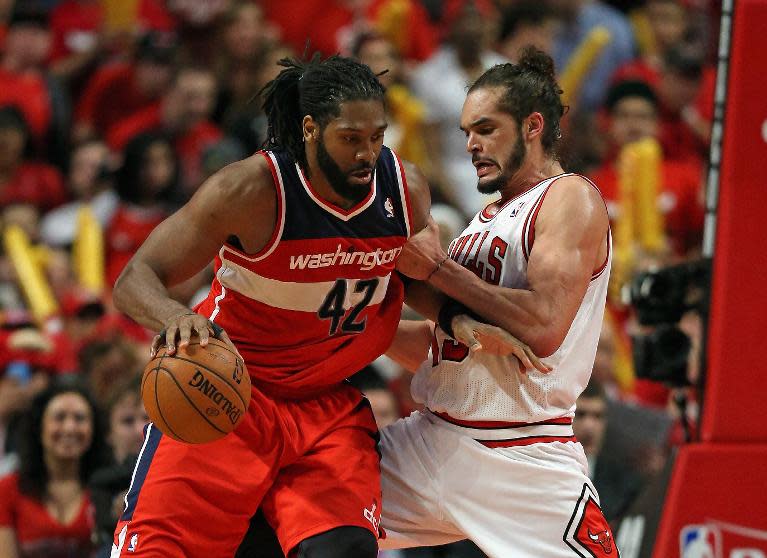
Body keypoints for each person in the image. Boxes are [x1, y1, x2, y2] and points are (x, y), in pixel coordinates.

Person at [109, 53, 433, 558]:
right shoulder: (250, 191)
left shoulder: (405, 191)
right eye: (351, 138)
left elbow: (417, 277)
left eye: (377, 137)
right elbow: (136, 278)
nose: (367, 153)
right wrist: (174, 316)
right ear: (310, 129)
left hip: (326, 406)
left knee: (345, 550)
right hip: (230, 393)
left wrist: (462, 319)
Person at [380, 47, 617, 557]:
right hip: (431, 441)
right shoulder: (486, 217)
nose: (470, 145)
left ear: (532, 126)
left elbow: (543, 325)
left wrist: (438, 269)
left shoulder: (569, 198)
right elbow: (451, 344)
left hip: (522, 455)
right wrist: (356, 329)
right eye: (466, 131)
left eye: (485, 129)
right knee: (297, 510)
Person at [0, 380, 108, 558]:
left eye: (79, 418)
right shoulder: (8, 489)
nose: (69, 428)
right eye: (59, 417)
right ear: (39, 427)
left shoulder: (110, 488)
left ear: (94, 429)